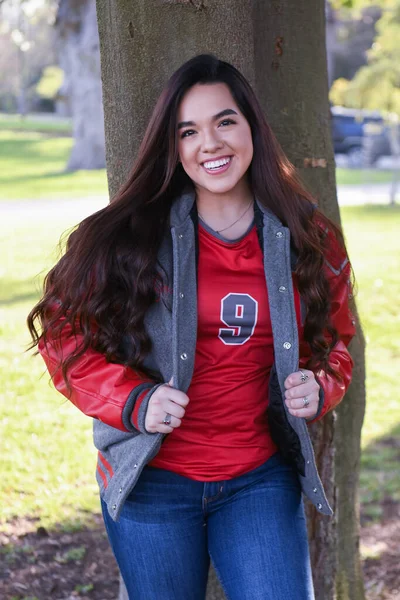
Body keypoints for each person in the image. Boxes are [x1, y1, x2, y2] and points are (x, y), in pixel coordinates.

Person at [28, 54, 356, 600]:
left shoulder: (305, 235)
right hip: (152, 481)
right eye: (189, 131)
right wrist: (133, 400)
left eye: (224, 121)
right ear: (173, 147)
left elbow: (336, 338)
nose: (211, 143)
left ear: (252, 125)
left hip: (257, 479)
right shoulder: (130, 236)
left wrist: (321, 384)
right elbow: (62, 336)